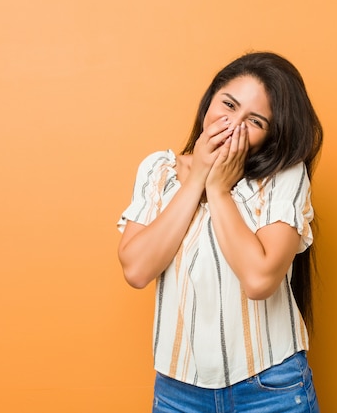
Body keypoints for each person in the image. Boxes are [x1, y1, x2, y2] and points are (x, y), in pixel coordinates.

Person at [117, 51, 323, 413]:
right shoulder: (159, 171)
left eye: (254, 121)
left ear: (270, 136)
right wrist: (196, 178)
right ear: (209, 99)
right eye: (228, 104)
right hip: (177, 393)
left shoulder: (283, 178)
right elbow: (136, 269)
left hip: (270, 388)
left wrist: (218, 190)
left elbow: (259, 280)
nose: (233, 124)